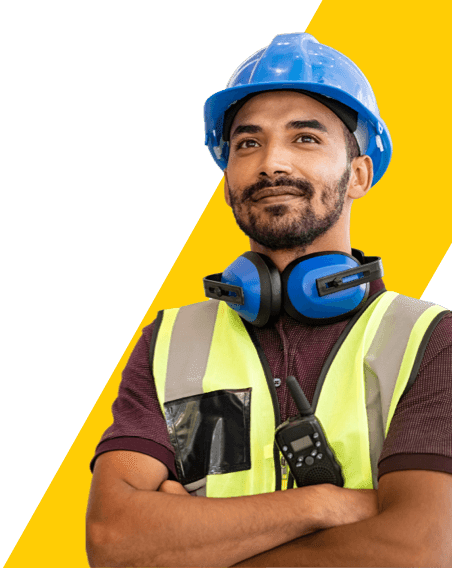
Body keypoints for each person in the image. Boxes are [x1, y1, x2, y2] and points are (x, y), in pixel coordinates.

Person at [85, 33, 452, 567]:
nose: (270, 163)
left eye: (305, 138)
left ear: (358, 174)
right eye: (247, 143)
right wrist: (325, 504)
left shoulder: (429, 340)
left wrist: (191, 545)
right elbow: (115, 543)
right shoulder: (169, 344)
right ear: (228, 175)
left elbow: (422, 550)